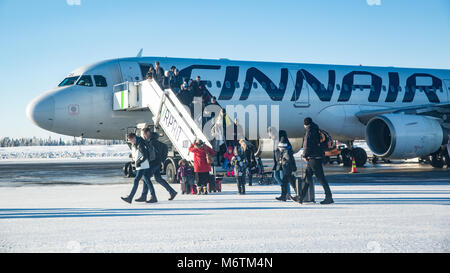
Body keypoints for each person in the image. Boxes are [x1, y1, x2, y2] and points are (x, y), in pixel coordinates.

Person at [299, 117, 334, 204]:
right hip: (316, 157)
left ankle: (329, 197)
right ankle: (301, 197)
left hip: (314, 158)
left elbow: (307, 145)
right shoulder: (316, 129)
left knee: (321, 178)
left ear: (305, 124)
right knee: (307, 177)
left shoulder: (309, 131)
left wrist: (304, 155)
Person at [138, 129, 178, 201]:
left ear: (148, 132)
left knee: (146, 177)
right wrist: (161, 160)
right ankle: (172, 192)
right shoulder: (154, 140)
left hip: (153, 163)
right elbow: (163, 149)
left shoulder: (152, 142)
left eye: (144, 134)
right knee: (158, 178)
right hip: (157, 163)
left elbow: (152, 153)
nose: (144, 136)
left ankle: (151, 196)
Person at [121, 133, 157, 204]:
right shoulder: (137, 143)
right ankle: (152, 196)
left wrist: (139, 162)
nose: (130, 141)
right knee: (146, 179)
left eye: (130, 140)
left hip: (142, 165)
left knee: (137, 180)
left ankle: (130, 197)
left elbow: (145, 155)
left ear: (134, 138)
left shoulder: (140, 144)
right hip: (143, 165)